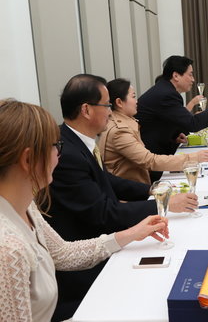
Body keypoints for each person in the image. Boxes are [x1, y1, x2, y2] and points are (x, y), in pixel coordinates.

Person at [0, 99, 169, 322]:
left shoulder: (25, 205)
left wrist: (131, 234)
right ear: (28, 159)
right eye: (55, 146)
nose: (59, 154)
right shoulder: (8, 250)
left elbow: (62, 253)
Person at [47, 74, 197, 320]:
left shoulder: (78, 141)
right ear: (86, 109)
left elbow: (108, 182)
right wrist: (161, 204)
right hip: (86, 264)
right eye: (106, 106)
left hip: (103, 239)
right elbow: (102, 213)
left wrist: (152, 190)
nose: (110, 112)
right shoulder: (68, 153)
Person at [99, 78, 208, 184]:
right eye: (133, 97)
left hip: (137, 185)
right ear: (119, 102)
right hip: (131, 194)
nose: (137, 101)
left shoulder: (125, 122)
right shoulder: (120, 131)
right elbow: (150, 161)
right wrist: (193, 158)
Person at [136, 55, 208, 180]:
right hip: (150, 163)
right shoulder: (166, 94)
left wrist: (174, 135)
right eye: (190, 74)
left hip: (160, 150)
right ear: (176, 76)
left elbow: (163, 121)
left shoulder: (165, 90)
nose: (193, 79)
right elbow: (192, 124)